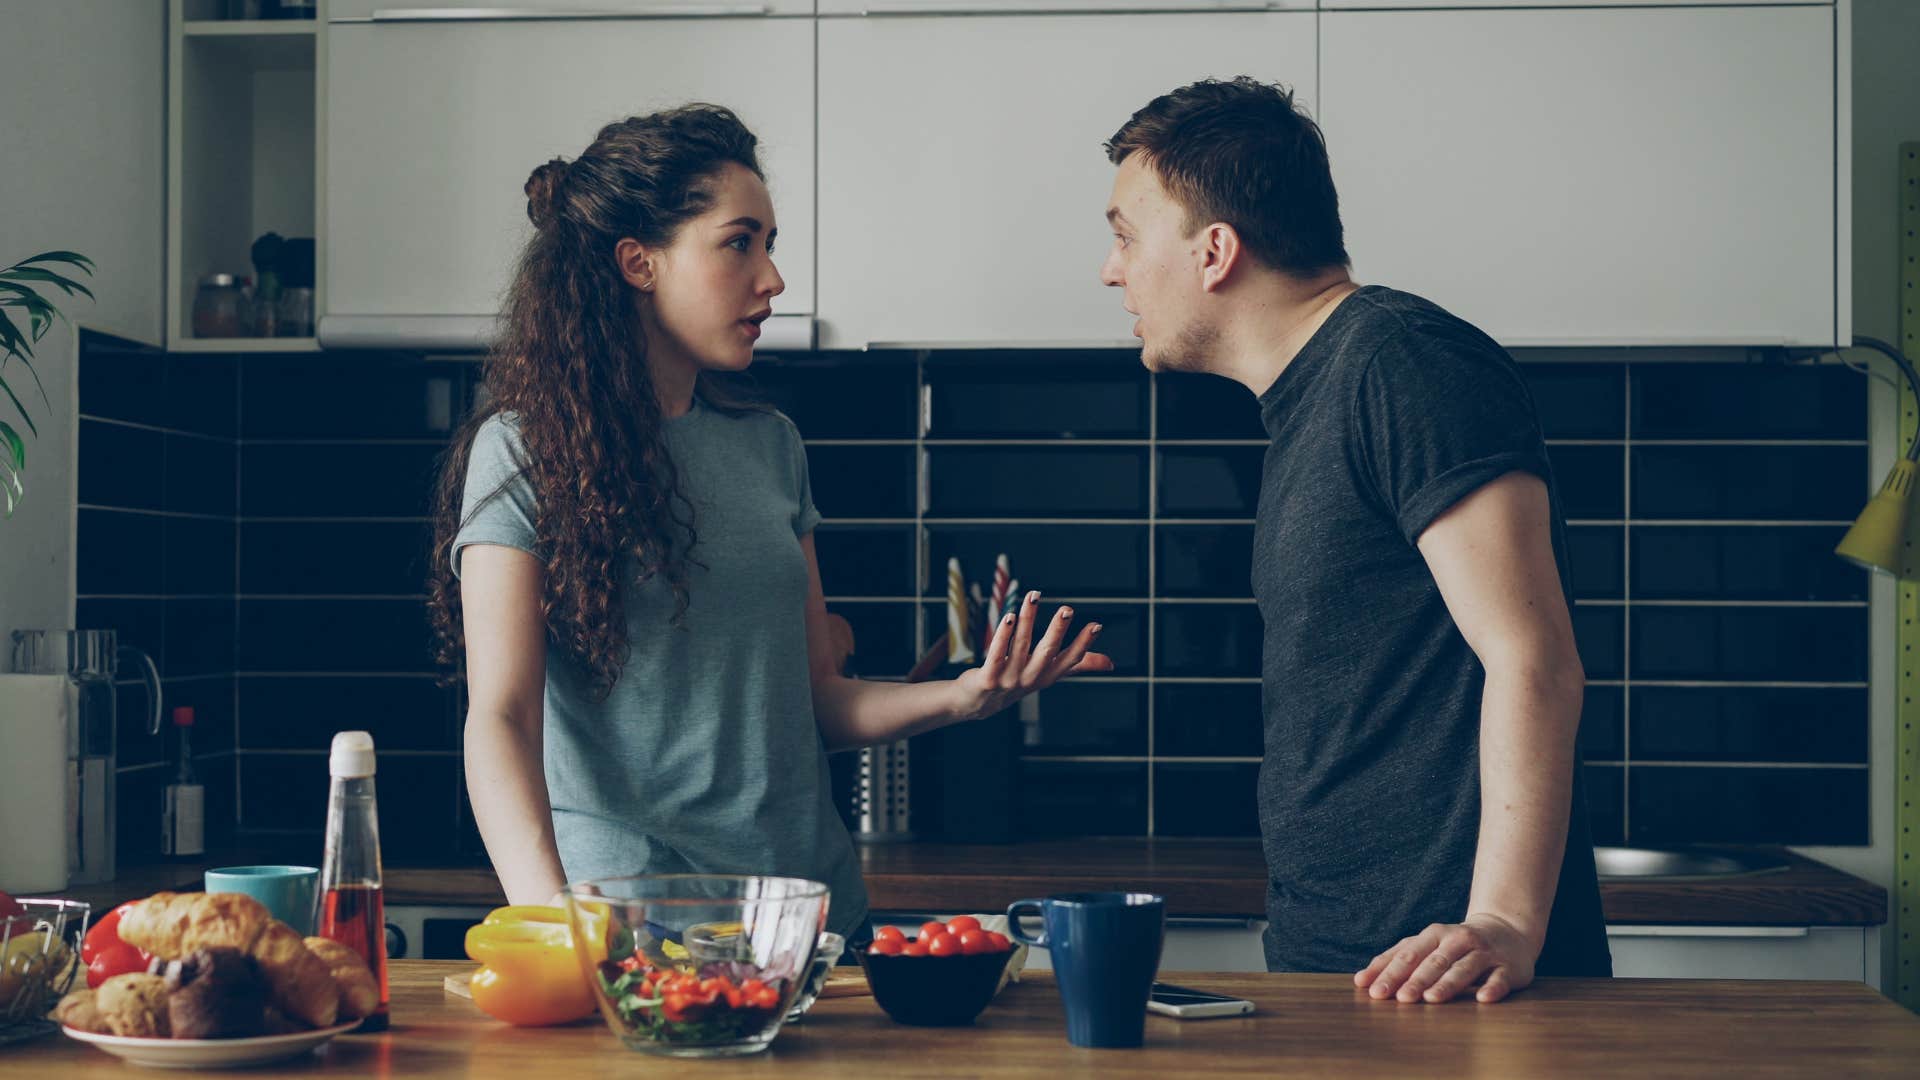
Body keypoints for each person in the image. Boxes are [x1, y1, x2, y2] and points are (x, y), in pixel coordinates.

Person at [427, 104, 1111, 942]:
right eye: (739, 241)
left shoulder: (771, 448)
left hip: (809, 924)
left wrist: (962, 699)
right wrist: (550, 920)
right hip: (635, 938)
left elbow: (817, 700)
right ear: (639, 263)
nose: (773, 278)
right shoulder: (524, 450)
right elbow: (501, 718)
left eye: (771, 244)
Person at [1098, 77, 1610, 1002]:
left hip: (1452, 980)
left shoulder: (1402, 362)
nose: (1111, 268)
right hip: (1353, 964)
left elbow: (1533, 659)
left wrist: (1501, 922)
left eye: (1127, 236)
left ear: (1215, 250)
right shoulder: (1312, 397)